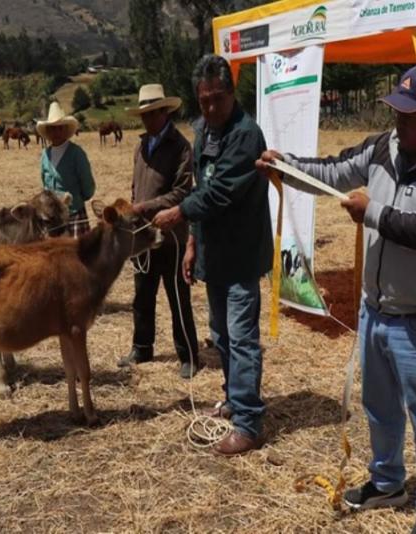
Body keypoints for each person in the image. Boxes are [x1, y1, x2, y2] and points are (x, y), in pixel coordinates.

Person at [257, 65, 416, 533]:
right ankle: (387, 482)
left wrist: (371, 212)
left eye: (409, 115)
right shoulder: (385, 146)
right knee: (378, 409)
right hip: (374, 312)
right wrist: (286, 166)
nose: (398, 122)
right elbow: (334, 171)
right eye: (395, 111)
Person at [153, 54, 273, 456]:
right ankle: (234, 399)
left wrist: (179, 213)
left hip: (241, 254)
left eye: (217, 99)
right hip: (214, 254)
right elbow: (200, 185)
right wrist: (192, 243)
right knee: (221, 334)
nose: (209, 108)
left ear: (231, 93)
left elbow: (219, 193)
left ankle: (249, 423)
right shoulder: (204, 131)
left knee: (241, 338)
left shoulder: (245, 135)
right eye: (203, 100)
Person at [116, 84, 201, 379]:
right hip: (142, 235)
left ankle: (188, 355)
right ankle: (142, 347)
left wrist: (143, 207)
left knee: (178, 296)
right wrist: (135, 211)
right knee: (142, 293)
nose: (147, 119)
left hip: (172, 235)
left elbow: (182, 192)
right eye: (144, 114)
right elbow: (136, 187)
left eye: (152, 113)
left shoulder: (181, 147)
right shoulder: (141, 147)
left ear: (165, 112)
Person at [37, 102, 95, 237]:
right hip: (53, 218)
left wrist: (78, 199)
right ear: (48, 131)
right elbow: (45, 184)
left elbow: (87, 185)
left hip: (74, 215)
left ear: (65, 129)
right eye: (52, 128)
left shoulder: (76, 153)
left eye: (60, 128)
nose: (56, 132)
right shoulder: (45, 155)